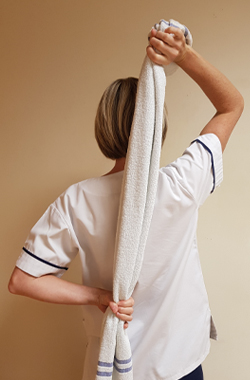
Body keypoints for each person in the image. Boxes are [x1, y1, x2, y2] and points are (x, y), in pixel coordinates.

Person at [9, 25, 243, 380]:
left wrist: (97, 295)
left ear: (103, 128)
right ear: (156, 127)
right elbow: (231, 106)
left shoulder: (76, 200)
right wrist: (183, 55)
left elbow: (22, 280)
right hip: (179, 364)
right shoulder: (182, 182)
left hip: (112, 369)